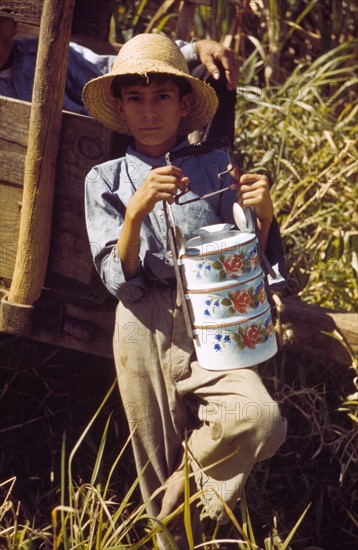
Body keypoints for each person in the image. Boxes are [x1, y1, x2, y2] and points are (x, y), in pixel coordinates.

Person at [82, 33, 287, 549]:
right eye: (136, 99)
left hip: (214, 315)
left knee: (259, 418)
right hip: (142, 323)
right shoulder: (104, 178)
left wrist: (263, 215)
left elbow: (249, 260)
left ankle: (183, 487)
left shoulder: (215, 166)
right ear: (122, 109)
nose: (149, 112)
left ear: (185, 103)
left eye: (163, 97)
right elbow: (117, 279)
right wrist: (136, 212)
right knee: (152, 459)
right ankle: (168, 528)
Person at [0, 12, 238, 145]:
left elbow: (117, 68)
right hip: (76, 157)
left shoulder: (46, 53)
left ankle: (216, 178)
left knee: (211, 70)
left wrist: (196, 49)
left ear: (14, 24)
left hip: (120, 137)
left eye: (2, 19)